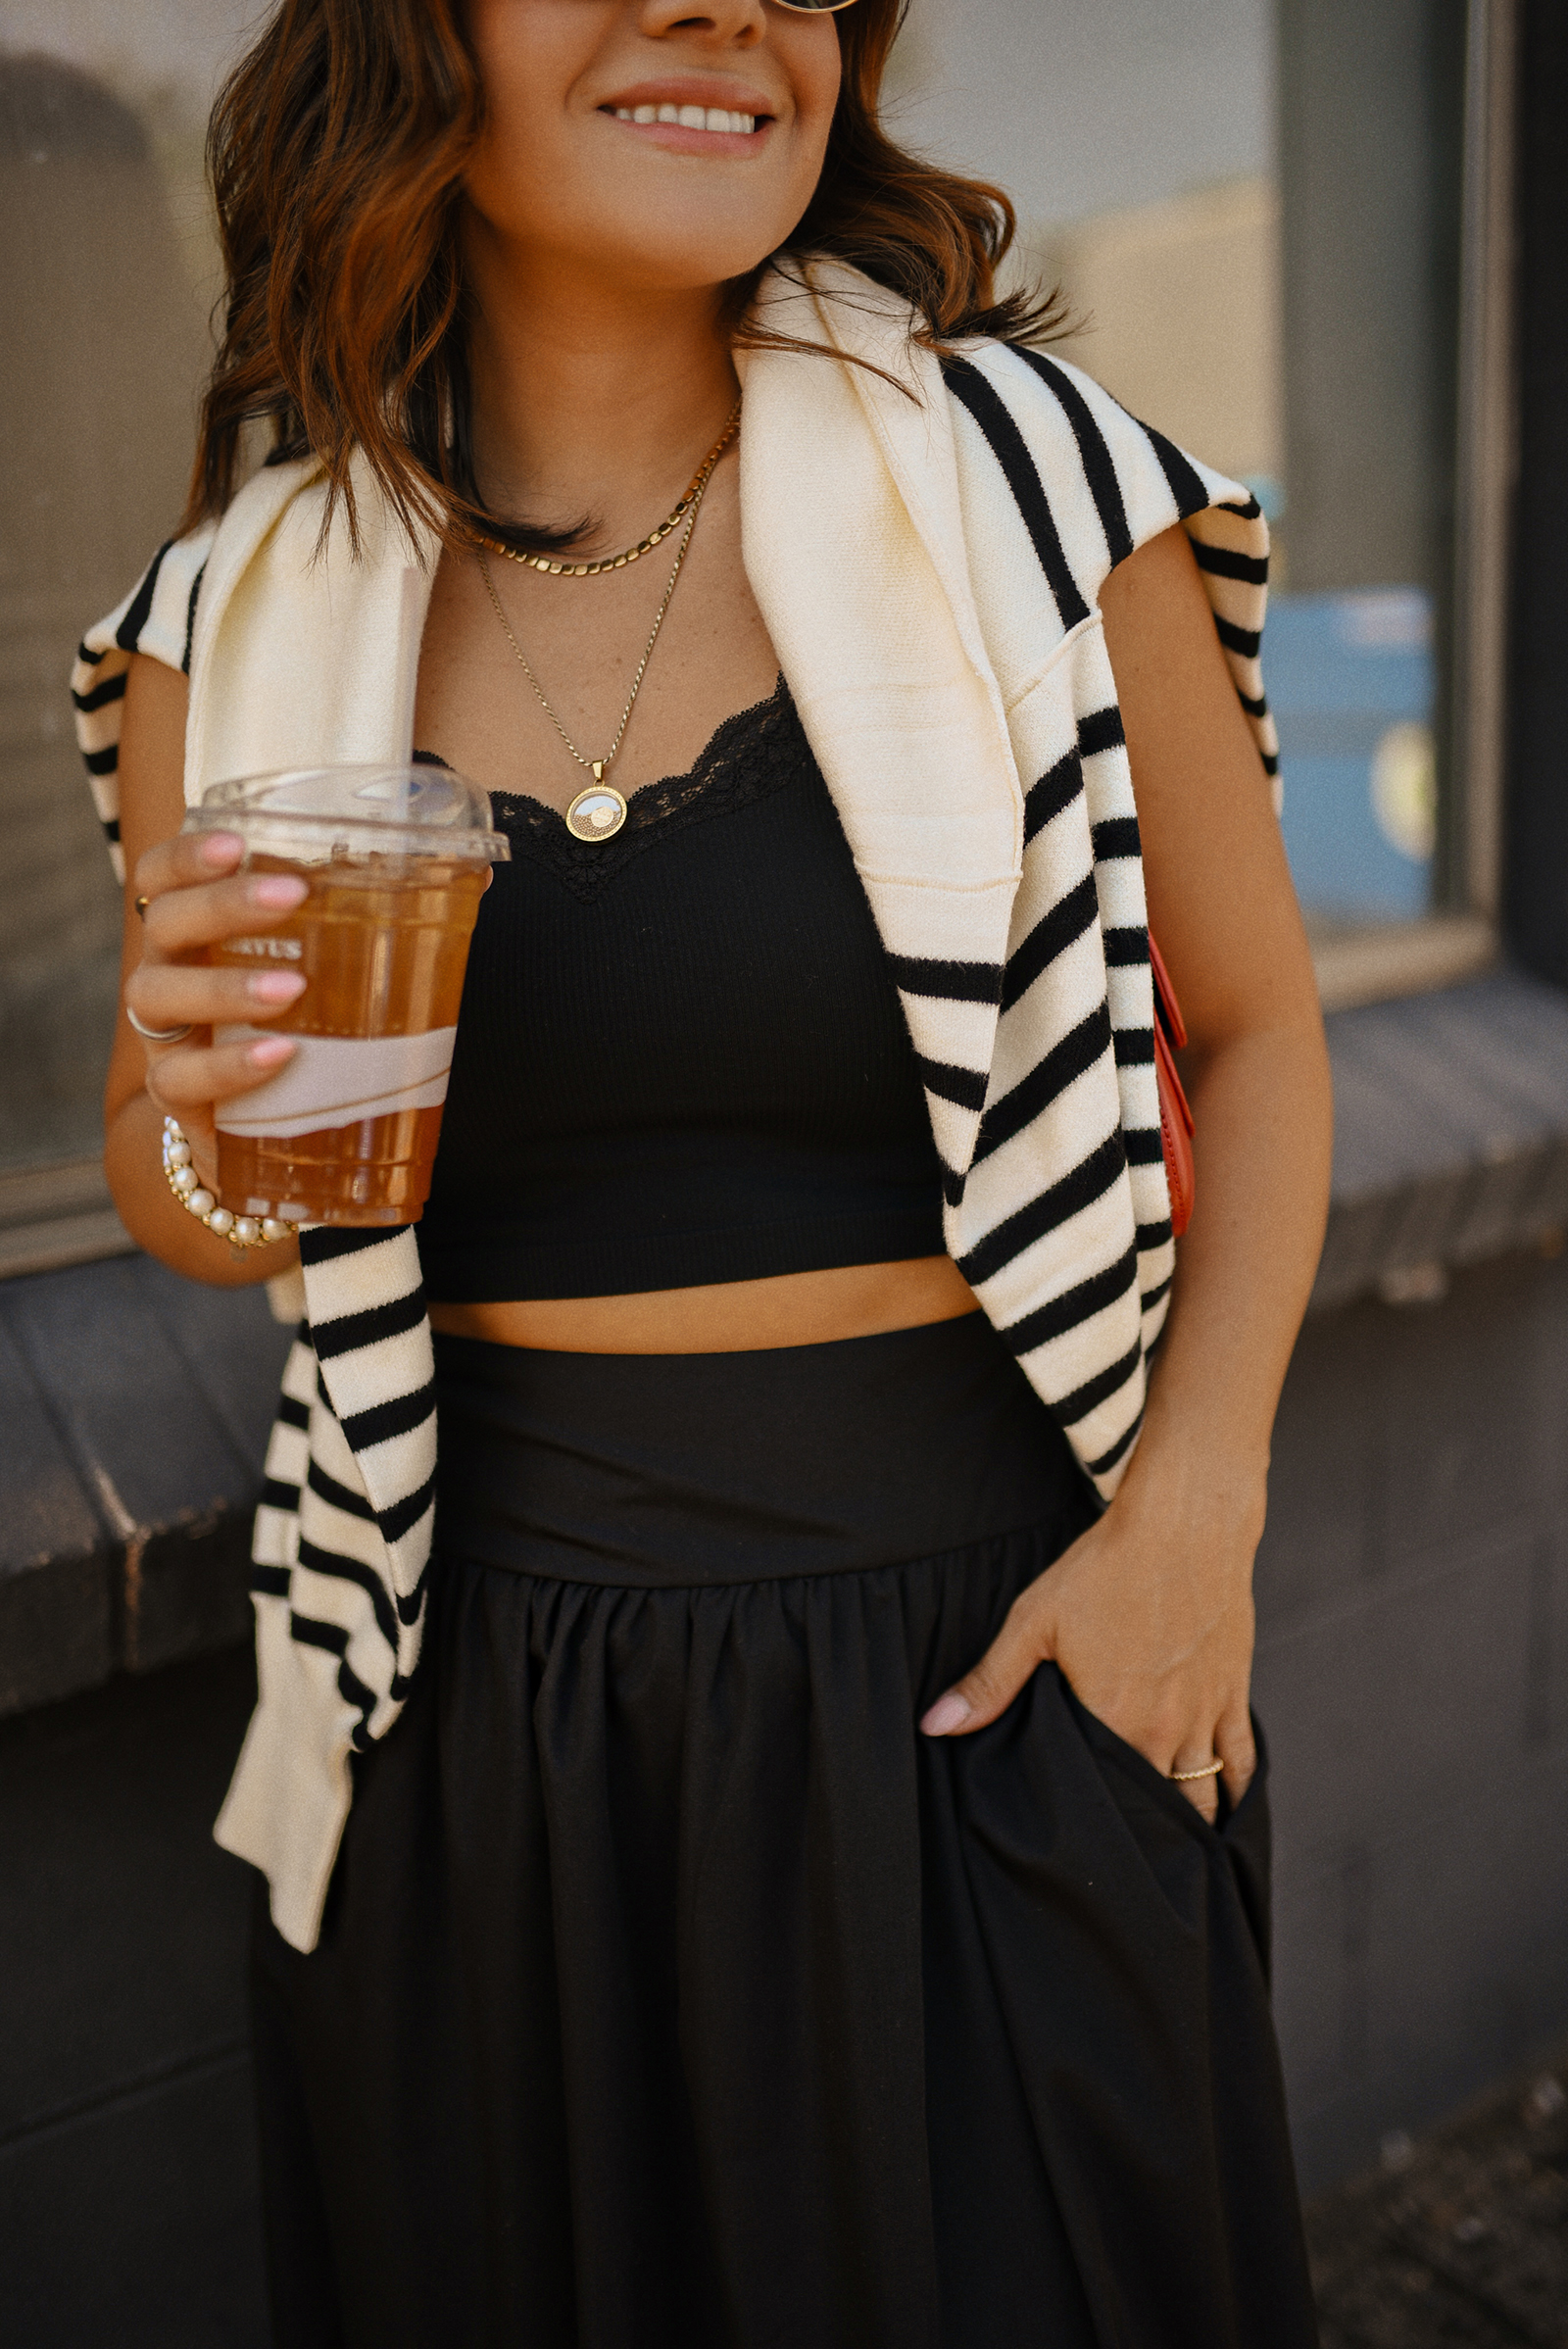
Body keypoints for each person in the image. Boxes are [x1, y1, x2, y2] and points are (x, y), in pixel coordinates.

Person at [77, 2, 1333, 2341]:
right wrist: (205, 1107)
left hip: (990, 1663)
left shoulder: (1036, 488)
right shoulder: (236, 614)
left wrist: (1190, 1527)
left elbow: (1254, 1039)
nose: (721, 3)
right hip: (465, 1708)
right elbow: (202, 1202)